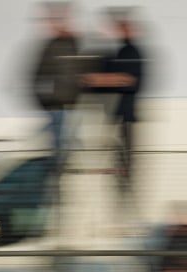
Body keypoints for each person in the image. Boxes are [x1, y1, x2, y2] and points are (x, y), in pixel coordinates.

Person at [80, 7, 145, 197]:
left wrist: (100, 79)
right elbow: (88, 82)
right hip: (110, 118)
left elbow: (129, 80)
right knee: (112, 168)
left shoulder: (131, 51)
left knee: (125, 167)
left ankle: (126, 199)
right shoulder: (111, 54)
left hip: (125, 118)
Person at [30, 1, 81, 172]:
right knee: (59, 151)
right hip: (57, 107)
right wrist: (45, 102)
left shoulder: (77, 44)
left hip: (74, 107)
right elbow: (37, 76)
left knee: (67, 147)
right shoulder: (50, 47)